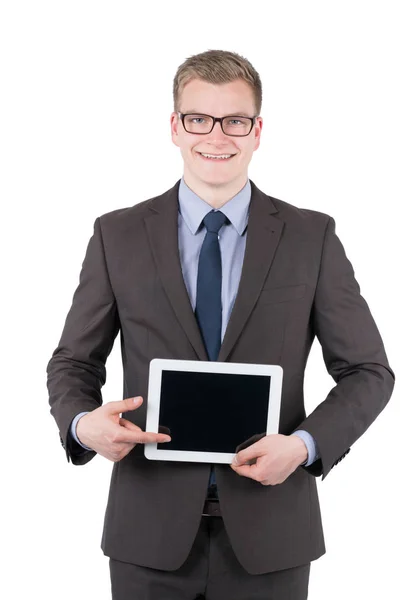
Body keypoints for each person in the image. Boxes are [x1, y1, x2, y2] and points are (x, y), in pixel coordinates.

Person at [46, 49, 395, 600]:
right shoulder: (118, 234)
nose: (217, 135)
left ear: (257, 131)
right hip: (148, 533)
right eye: (199, 118)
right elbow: (72, 361)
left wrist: (305, 445)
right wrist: (81, 422)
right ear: (175, 128)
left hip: (271, 534)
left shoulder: (311, 238)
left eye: (235, 120)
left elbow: (369, 371)